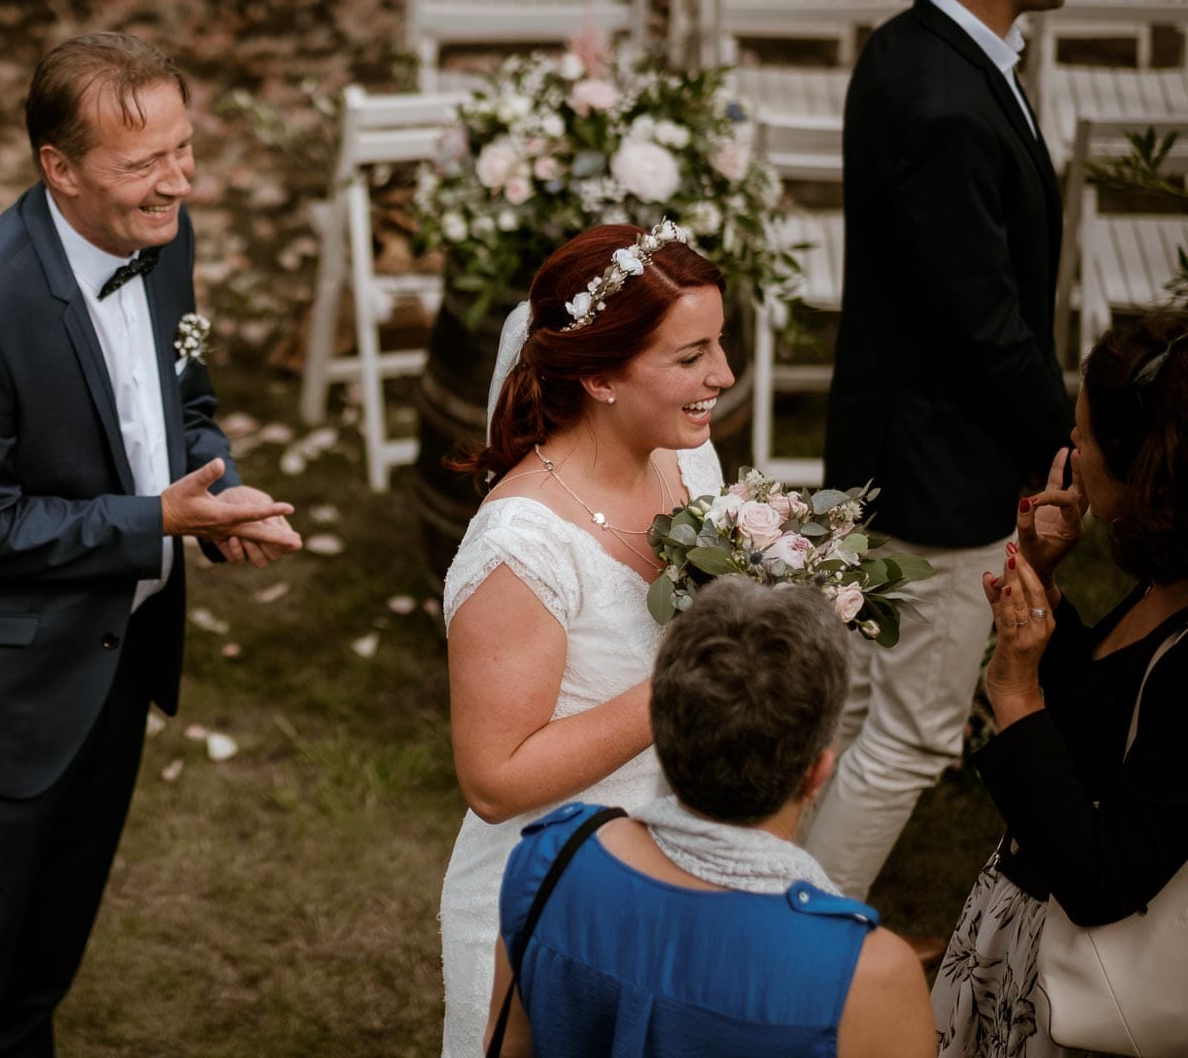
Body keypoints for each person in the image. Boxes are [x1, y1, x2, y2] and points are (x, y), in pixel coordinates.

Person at [0, 32, 301, 1058]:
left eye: (183, 149)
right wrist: (158, 521)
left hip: (111, 666)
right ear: (58, 168)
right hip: (0, 693)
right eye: (144, 163)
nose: (179, 182)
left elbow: (186, 396)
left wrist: (222, 486)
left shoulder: (167, 240)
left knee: (40, 968)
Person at [807, 0, 1095, 902]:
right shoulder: (940, 98)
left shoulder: (905, 45)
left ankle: (758, 908)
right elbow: (981, 321)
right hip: (935, 470)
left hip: (887, 440)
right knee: (915, 732)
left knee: (842, 706)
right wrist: (1066, 444)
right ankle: (796, 953)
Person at [439, 219, 735, 1054]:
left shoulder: (691, 465)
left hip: (684, 865)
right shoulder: (520, 546)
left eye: (719, 343)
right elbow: (494, 782)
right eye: (691, 357)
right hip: (547, 903)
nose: (724, 374)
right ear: (601, 377)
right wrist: (686, 686)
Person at [484, 580, 935, 1058]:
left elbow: (508, 1046)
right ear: (818, 771)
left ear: (661, 729)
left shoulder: (552, 859)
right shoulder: (870, 975)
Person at [932, 313, 1188, 1056]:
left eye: (1083, 438)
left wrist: (1014, 696)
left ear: (1145, 466)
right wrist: (1045, 581)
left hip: (1088, 989)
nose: (1070, 452)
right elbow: (1106, 720)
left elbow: (1104, 878)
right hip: (1026, 935)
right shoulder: (1168, 579)